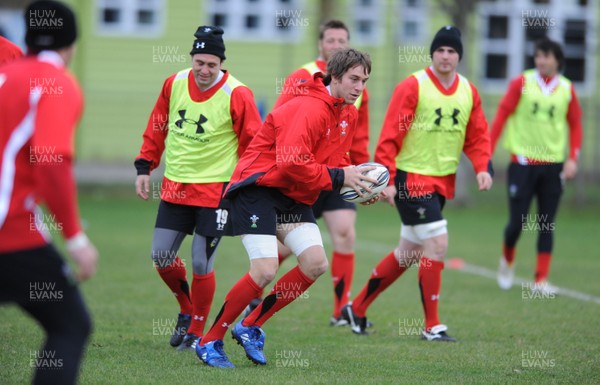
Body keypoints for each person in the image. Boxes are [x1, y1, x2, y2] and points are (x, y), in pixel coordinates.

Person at [196, 48, 377, 368]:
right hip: (259, 189)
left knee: (315, 264)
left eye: (363, 80)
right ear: (334, 76)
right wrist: (340, 176)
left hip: (294, 195)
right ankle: (209, 340)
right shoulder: (309, 108)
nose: (359, 87)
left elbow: (337, 163)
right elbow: (292, 162)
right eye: (353, 79)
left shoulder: (348, 112)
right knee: (265, 268)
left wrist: (358, 185)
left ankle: (250, 325)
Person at [342, 26, 493, 341]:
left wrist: (482, 167)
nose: (446, 55)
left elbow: (477, 135)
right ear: (432, 53)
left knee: (408, 252)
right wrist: (387, 178)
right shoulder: (414, 85)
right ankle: (432, 326)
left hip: (441, 184)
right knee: (437, 243)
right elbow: (390, 136)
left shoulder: (468, 91)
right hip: (411, 179)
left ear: (459, 56)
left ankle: (355, 308)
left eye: (452, 51)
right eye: (440, 50)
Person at [134, 26, 261, 351]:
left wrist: (249, 184)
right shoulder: (174, 83)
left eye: (211, 64)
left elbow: (254, 144)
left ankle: (198, 331)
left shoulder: (237, 93)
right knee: (161, 256)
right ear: (191, 59)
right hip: (176, 186)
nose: (204, 70)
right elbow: (157, 124)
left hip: (216, 192)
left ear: (221, 63)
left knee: (201, 263)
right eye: (199, 62)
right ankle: (186, 309)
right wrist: (145, 166)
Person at [0, 1, 98, 384]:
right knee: (70, 325)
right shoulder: (55, 82)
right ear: (71, 42)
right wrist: (75, 238)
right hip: (10, 231)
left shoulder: (7, 75)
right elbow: (51, 160)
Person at [272, 19, 371, 327]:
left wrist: (365, 177)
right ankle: (256, 291)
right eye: (331, 40)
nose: (337, 44)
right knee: (288, 246)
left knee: (345, 233)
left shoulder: (357, 84)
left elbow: (359, 134)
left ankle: (341, 310)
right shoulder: (302, 77)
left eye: (343, 39)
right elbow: (279, 121)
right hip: (305, 175)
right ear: (320, 44)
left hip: (341, 173)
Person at [491, 38, 582, 292]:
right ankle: (507, 259)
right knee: (516, 223)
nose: (541, 61)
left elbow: (575, 124)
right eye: (538, 56)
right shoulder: (522, 83)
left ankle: (540, 280)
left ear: (557, 60)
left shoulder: (566, 89)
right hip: (522, 164)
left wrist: (573, 157)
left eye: (546, 56)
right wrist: (486, 152)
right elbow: (501, 115)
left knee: (546, 222)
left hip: (553, 165)